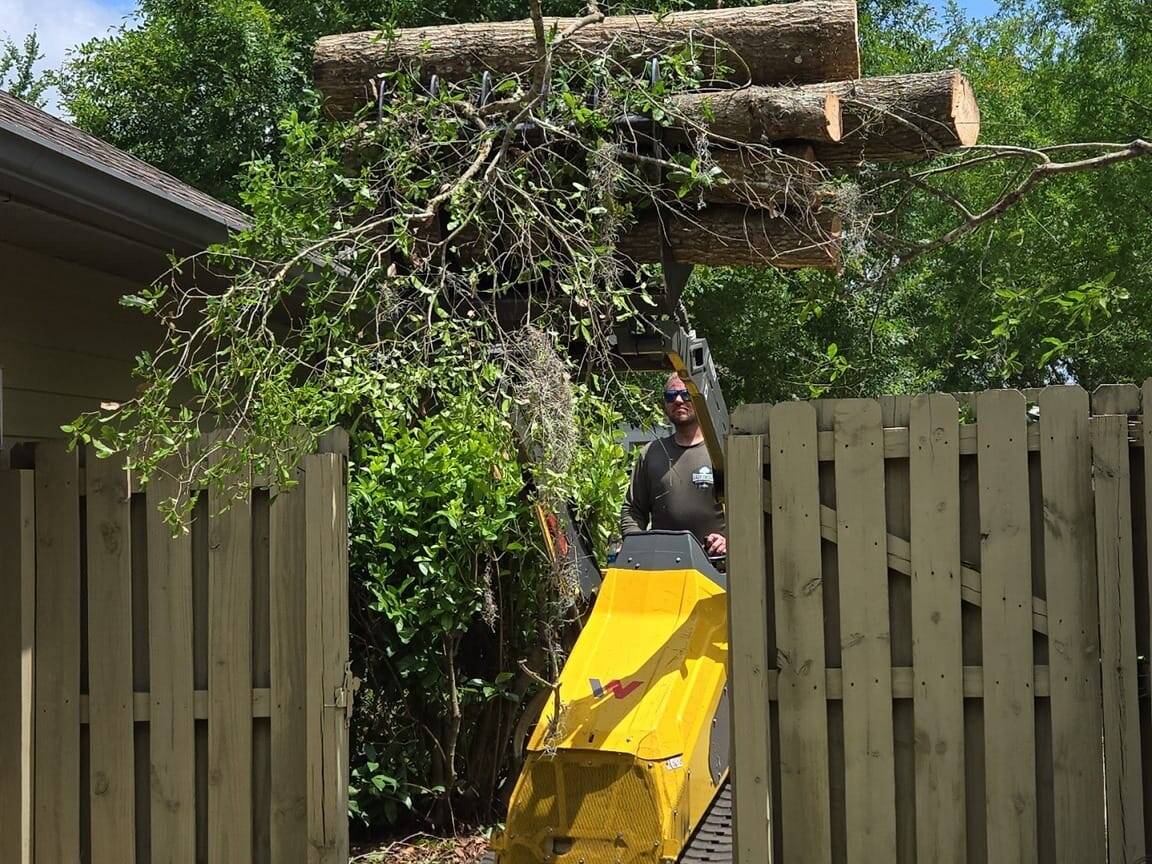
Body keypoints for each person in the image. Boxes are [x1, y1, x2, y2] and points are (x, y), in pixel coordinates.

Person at [619, 373, 727, 556]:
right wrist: (637, 546)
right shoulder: (651, 453)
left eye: (686, 394)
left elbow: (749, 512)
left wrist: (729, 540)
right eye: (671, 395)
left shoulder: (723, 451)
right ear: (664, 405)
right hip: (663, 566)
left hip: (718, 567)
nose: (677, 400)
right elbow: (633, 510)